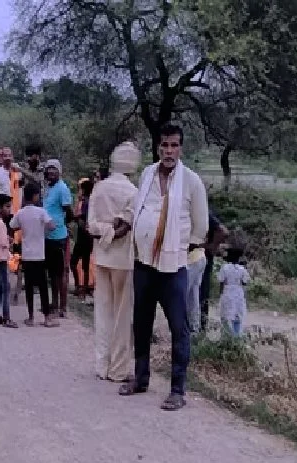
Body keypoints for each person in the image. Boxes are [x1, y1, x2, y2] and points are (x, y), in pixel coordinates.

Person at [118, 124, 209, 411]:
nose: (169, 151)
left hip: (173, 268)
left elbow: (201, 226)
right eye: (164, 145)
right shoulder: (147, 174)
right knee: (141, 323)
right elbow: (137, 208)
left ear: (181, 148)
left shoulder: (191, 181)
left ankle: (177, 390)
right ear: (157, 147)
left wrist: (179, 247)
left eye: (174, 145)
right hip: (143, 264)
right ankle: (141, 378)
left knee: (178, 329)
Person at [88, 142, 140, 382]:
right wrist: (113, 231)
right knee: (122, 314)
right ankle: (118, 369)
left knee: (103, 310)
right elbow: (127, 227)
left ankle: (101, 365)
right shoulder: (134, 192)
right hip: (123, 258)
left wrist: (104, 233)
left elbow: (91, 226)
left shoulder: (99, 188)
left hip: (101, 255)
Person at [10, 184, 58, 328]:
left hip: (27, 254)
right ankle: (47, 318)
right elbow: (52, 226)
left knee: (29, 286)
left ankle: (31, 317)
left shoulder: (21, 213)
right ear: (36, 196)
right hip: (39, 254)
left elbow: (12, 225)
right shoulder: (41, 212)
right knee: (43, 286)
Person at [43, 159, 74, 317]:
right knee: (52, 274)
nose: (51, 172)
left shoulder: (62, 188)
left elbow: (68, 211)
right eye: (49, 169)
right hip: (48, 236)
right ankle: (54, 304)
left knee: (60, 273)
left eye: (54, 169)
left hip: (58, 237)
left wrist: (64, 224)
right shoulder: (49, 187)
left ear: (59, 171)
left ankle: (63, 308)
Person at [199, 211, 229, 331]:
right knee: (202, 293)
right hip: (202, 259)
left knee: (200, 293)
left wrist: (211, 246)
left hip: (201, 259)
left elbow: (223, 231)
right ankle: (200, 325)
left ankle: (200, 326)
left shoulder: (205, 213)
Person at [0, 195, 17, 328]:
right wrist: (9, 241)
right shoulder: (1, 223)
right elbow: (3, 243)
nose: (9, 209)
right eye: (7, 206)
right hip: (1, 258)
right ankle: (6, 318)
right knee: (6, 288)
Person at [70, 178, 95, 297]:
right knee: (85, 264)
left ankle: (79, 287)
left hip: (83, 237)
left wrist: (74, 217)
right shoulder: (90, 202)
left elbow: (82, 219)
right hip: (88, 237)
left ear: (84, 189)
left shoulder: (86, 202)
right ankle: (83, 289)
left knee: (74, 263)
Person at [218, 247, 250, 337]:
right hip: (238, 292)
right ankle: (236, 335)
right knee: (237, 315)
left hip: (227, 291)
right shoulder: (242, 269)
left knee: (225, 314)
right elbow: (244, 282)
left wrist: (220, 294)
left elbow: (221, 282)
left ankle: (226, 335)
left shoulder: (224, 268)